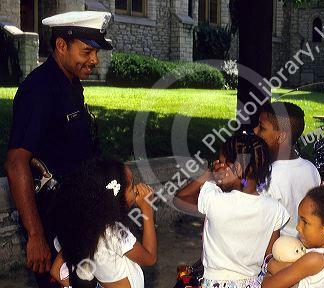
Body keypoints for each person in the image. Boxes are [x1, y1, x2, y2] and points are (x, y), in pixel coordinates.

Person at [4, 11, 113, 287]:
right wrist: (35, 235)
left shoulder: (71, 84)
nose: (94, 60)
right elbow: (16, 162)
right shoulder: (39, 89)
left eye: (96, 52)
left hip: (76, 217)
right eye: (87, 51)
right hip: (53, 224)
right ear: (62, 46)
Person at [175, 133, 289, 288]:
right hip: (253, 283)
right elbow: (269, 256)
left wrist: (209, 174)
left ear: (238, 168)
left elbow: (180, 198)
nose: (218, 166)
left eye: (221, 163)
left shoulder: (214, 199)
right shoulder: (275, 209)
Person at [50, 159, 157, 288]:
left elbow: (56, 272)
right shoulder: (115, 232)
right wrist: (147, 210)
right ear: (116, 198)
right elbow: (150, 258)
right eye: (132, 186)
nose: (136, 189)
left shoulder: (83, 226)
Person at [262, 185, 324, 288]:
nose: (298, 227)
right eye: (299, 220)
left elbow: (268, 286)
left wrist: (270, 266)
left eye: (305, 222)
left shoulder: (315, 258)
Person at [253, 102, 321, 237]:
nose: (255, 130)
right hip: (304, 245)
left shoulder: (270, 176)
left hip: (277, 249)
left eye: (262, 127)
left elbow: (258, 222)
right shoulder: (311, 168)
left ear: (282, 136)